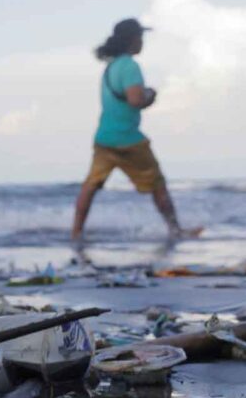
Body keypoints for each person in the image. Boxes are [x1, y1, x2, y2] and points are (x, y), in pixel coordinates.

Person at [72, 18, 201, 242]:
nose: (142, 42)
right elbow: (135, 100)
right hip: (128, 139)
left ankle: (76, 232)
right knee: (157, 184)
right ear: (132, 40)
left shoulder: (110, 67)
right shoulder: (131, 66)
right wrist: (150, 96)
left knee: (91, 185)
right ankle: (175, 230)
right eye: (140, 37)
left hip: (104, 138)